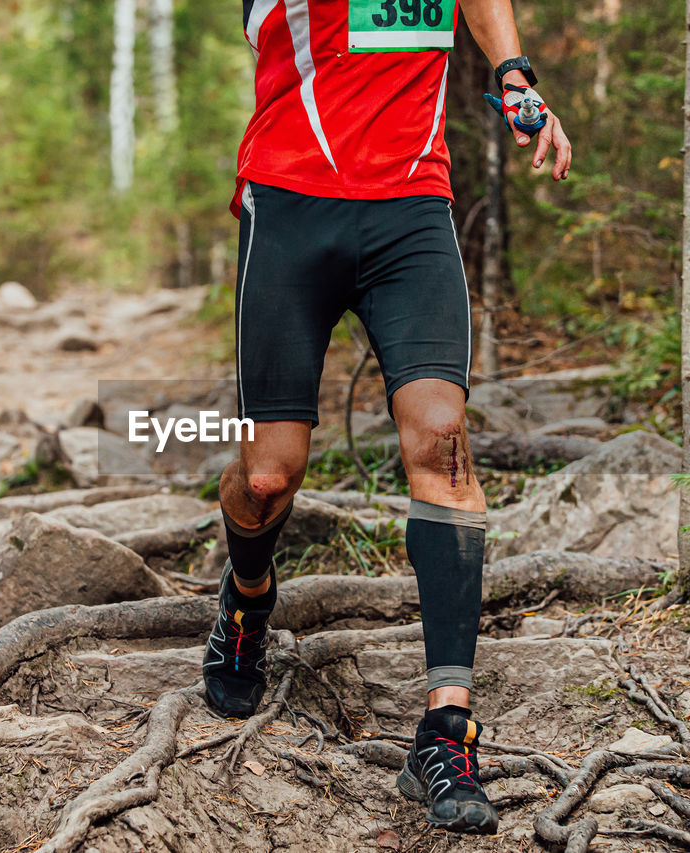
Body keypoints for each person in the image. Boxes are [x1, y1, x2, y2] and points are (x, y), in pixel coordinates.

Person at [201, 0, 573, 835]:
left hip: (411, 207)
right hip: (291, 203)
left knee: (442, 440)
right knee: (269, 475)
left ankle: (446, 733)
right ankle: (247, 597)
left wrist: (514, 73)